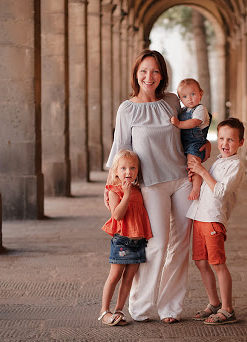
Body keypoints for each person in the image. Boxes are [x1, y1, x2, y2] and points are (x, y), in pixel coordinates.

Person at [105, 49, 211, 324]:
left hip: (181, 179)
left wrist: (204, 144)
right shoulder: (127, 109)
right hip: (151, 184)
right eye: (143, 71)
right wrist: (111, 189)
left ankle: (170, 308)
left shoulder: (172, 101)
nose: (148, 76)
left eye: (154, 71)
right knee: (157, 244)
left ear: (162, 75)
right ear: (136, 74)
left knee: (180, 245)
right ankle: (139, 307)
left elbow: (192, 128)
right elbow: (121, 150)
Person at [186, 117, 245, 325]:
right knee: (201, 262)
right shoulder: (219, 160)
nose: (225, 144)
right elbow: (208, 187)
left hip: (213, 220)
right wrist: (197, 174)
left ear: (241, 142)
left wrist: (202, 170)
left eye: (231, 140)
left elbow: (219, 191)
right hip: (199, 217)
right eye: (221, 138)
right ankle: (214, 303)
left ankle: (228, 309)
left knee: (218, 264)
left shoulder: (236, 165)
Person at [98, 150, 153, 326]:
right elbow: (117, 215)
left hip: (138, 242)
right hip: (122, 241)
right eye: (123, 168)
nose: (128, 172)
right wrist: (126, 194)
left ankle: (119, 310)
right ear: (116, 171)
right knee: (115, 276)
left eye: (132, 168)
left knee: (129, 279)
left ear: (138, 171)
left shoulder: (139, 189)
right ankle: (104, 311)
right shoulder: (115, 190)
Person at [171, 78, 211, 200]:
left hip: (195, 143)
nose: (189, 99)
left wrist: (178, 124)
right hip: (185, 144)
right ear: (180, 99)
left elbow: (194, 122)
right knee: (189, 166)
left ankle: (196, 187)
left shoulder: (200, 109)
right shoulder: (184, 110)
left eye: (193, 94)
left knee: (194, 164)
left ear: (201, 93)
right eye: (184, 96)